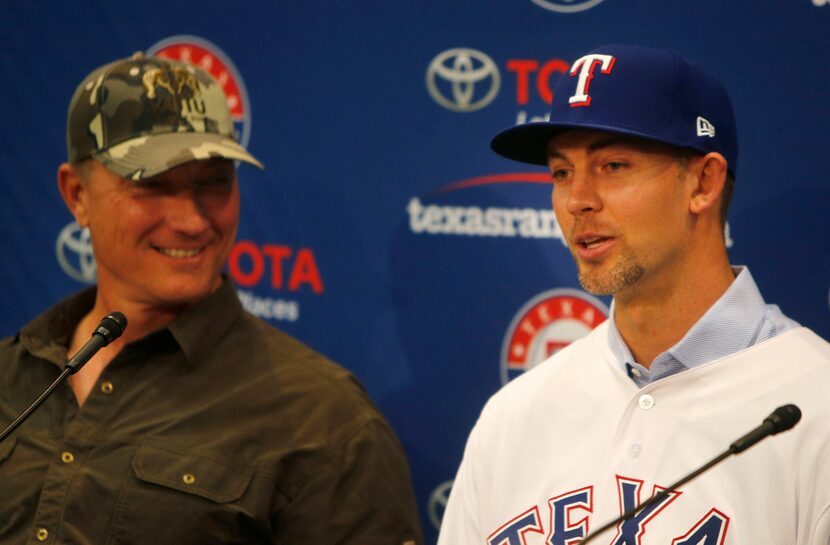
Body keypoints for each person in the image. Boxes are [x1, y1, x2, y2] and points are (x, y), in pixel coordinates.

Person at [0, 52, 422, 545]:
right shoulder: (11, 377)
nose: (192, 220)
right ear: (76, 194)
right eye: (153, 186)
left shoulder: (325, 423)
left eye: (214, 183)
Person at [438, 44, 830, 545]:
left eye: (614, 165)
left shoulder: (816, 405)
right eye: (561, 172)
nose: (577, 200)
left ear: (703, 182)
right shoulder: (513, 415)